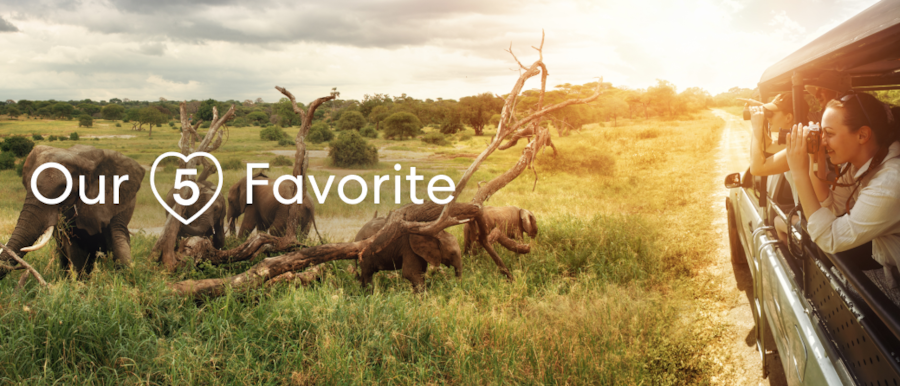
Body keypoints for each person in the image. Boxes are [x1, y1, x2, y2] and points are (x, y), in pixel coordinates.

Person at [786, 92, 900, 287]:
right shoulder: (862, 165)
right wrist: (816, 158)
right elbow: (832, 207)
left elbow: (830, 239)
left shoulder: (889, 182)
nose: (822, 140)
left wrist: (799, 174)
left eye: (829, 134)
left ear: (862, 135)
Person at [741, 93, 798, 242]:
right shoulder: (799, 138)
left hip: (811, 216)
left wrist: (757, 127)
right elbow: (770, 145)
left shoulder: (798, 147)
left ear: (789, 117)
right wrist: (761, 111)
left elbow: (757, 168)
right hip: (807, 212)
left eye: (772, 114)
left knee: (778, 222)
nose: (769, 117)